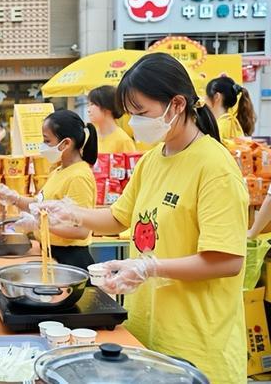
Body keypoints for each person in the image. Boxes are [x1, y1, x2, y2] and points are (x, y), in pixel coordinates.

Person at [36, 53, 247, 384]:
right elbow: (118, 217)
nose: (134, 123)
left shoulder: (215, 168)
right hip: (147, 332)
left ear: (177, 105)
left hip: (198, 344)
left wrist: (150, 267)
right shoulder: (152, 160)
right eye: (130, 113)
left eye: (141, 112)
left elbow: (227, 260)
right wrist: (73, 212)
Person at [0, 110, 98, 270]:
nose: (43, 146)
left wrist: (41, 224)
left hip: (70, 259)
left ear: (66, 143)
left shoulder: (79, 176)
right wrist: (14, 198)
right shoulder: (59, 170)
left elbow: (81, 230)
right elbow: (39, 204)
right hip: (52, 253)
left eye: (47, 141)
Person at [87, 85, 136, 153]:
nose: (88, 110)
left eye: (92, 104)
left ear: (106, 106)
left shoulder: (123, 141)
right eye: (88, 105)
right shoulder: (89, 138)